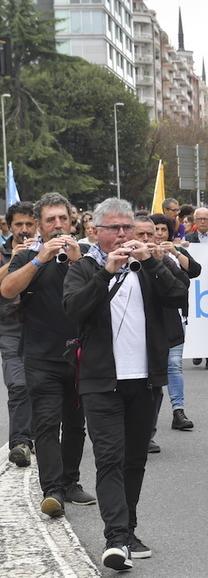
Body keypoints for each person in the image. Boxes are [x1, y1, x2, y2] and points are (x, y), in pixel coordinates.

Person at [63, 197, 189, 570]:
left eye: (127, 228)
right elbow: (73, 310)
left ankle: (128, 529)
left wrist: (151, 261)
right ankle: (115, 538)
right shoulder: (84, 268)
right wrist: (105, 272)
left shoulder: (149, 266)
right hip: (101, 381)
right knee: (109, 459)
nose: (122, 235)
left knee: (134, 459)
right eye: (114, 228)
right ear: (96, 232)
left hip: (145, 379)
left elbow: (179, 295)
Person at [0, 193, 95, 517]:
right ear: (40, 225)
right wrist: (39, 258)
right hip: (40, 356)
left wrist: (77, 258)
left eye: (62, 219)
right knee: (46, 424)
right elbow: (8, 289)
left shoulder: (87, 257)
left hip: (80, 355)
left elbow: (99, 293)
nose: (58, 226)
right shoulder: (27, 255)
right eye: (50, 220)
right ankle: (52, 491)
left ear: (73, 221)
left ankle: (70, 483)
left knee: (75, 424)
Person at [148, 214, 201, 445]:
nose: (159, 234)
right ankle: (147, 428)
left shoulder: (175, 252)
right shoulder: (139, 252)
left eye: (163, 230)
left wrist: (175, 253)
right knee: (152, 372)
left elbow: (193, 273)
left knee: (174, 364)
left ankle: (178, 411)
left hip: (174, 317)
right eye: (155, 230)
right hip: (150, 319)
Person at [0, 201, 36, 467]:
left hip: (43, 329)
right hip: (11, 330)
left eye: (29, 224)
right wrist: (15, 260)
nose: (24, 230)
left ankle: (36, 435)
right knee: (18, 384)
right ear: (9, 227)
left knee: (44, 388)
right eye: (18, 225)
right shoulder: (3, 253)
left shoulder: (49, 249)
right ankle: (20, 443)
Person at [185, 207, 208, 371]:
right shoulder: (188, 238)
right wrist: (183, 247)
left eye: (205, 219)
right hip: (195, 285)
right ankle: (197, 351)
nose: (202, 222)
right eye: (199, 219)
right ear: (194, 221)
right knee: (195, 318)